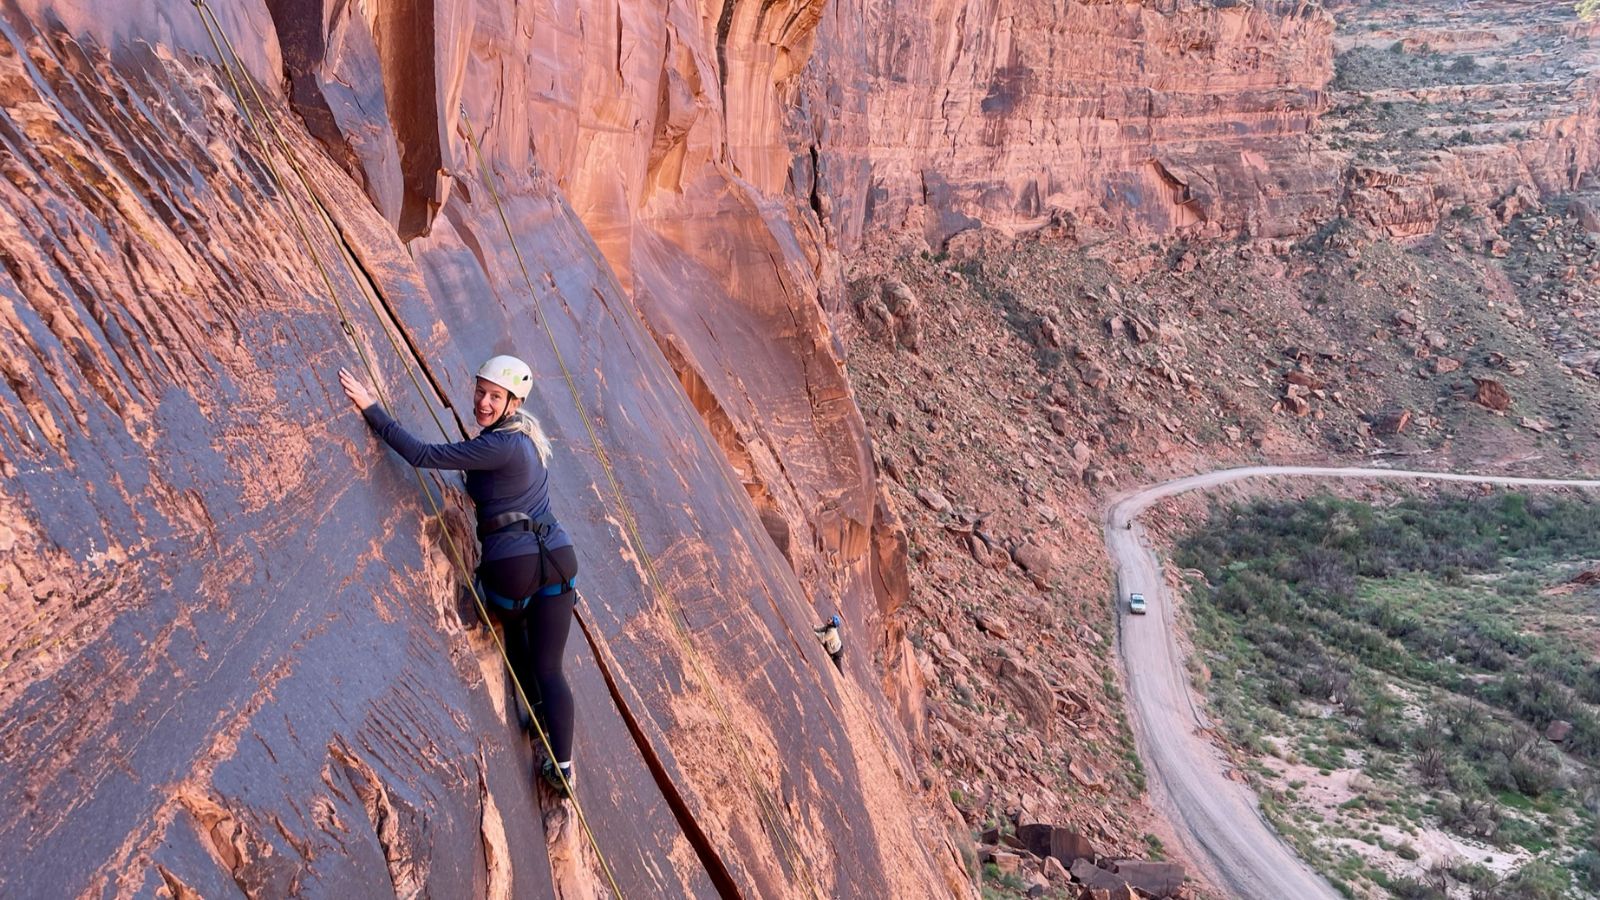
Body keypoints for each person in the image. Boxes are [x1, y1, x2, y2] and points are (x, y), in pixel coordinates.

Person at [338, 356, 580, 797]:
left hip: (513, 569)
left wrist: (371, 407)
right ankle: (562, 766)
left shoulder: (498, 445)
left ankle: (540, 714)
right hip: (560, 560)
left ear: (513, 401)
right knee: (551, 665)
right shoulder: (526, 435)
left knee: (511, 613)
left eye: (494, 396)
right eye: (480, 391)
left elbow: (423, 455)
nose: (483, 402)